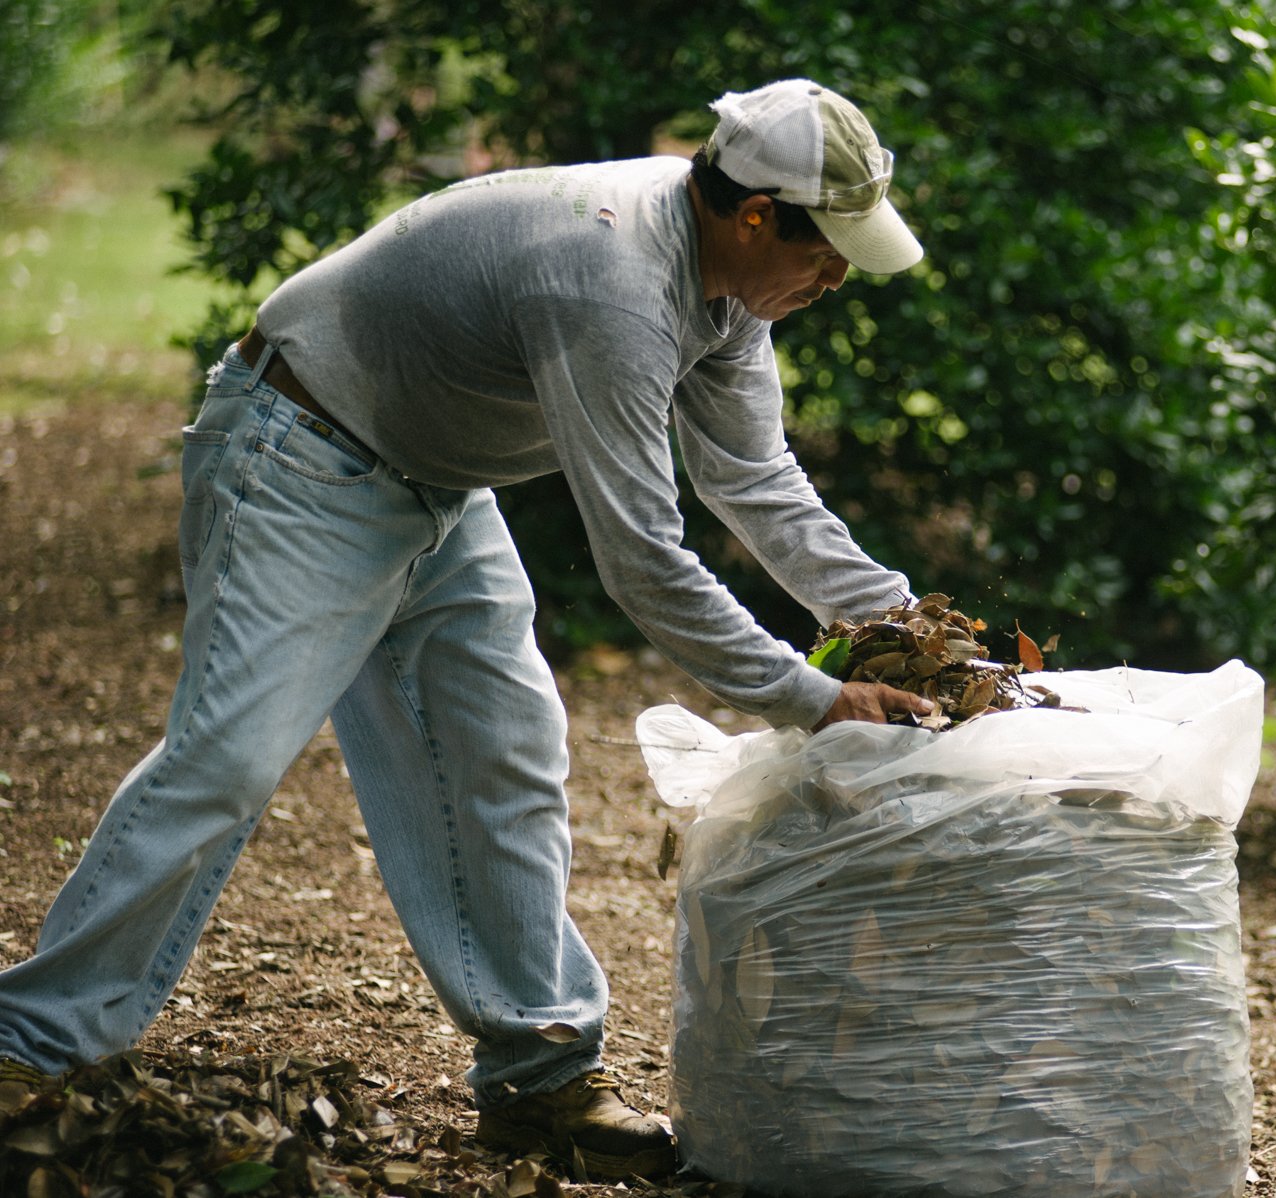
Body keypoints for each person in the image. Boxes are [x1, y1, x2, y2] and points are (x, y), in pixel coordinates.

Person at [0, 78, 932, 1178]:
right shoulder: (617, 281)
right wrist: (815, 695)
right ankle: (27, 1045)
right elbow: (643, 562)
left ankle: (540, 1080)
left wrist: (900, 622)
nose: (837, 277)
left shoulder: (730, 295)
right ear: (756, 214)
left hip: (434, 482)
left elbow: (758, 480)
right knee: (228, 756)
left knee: (507, 752)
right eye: (827, 250)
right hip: (301, 450)